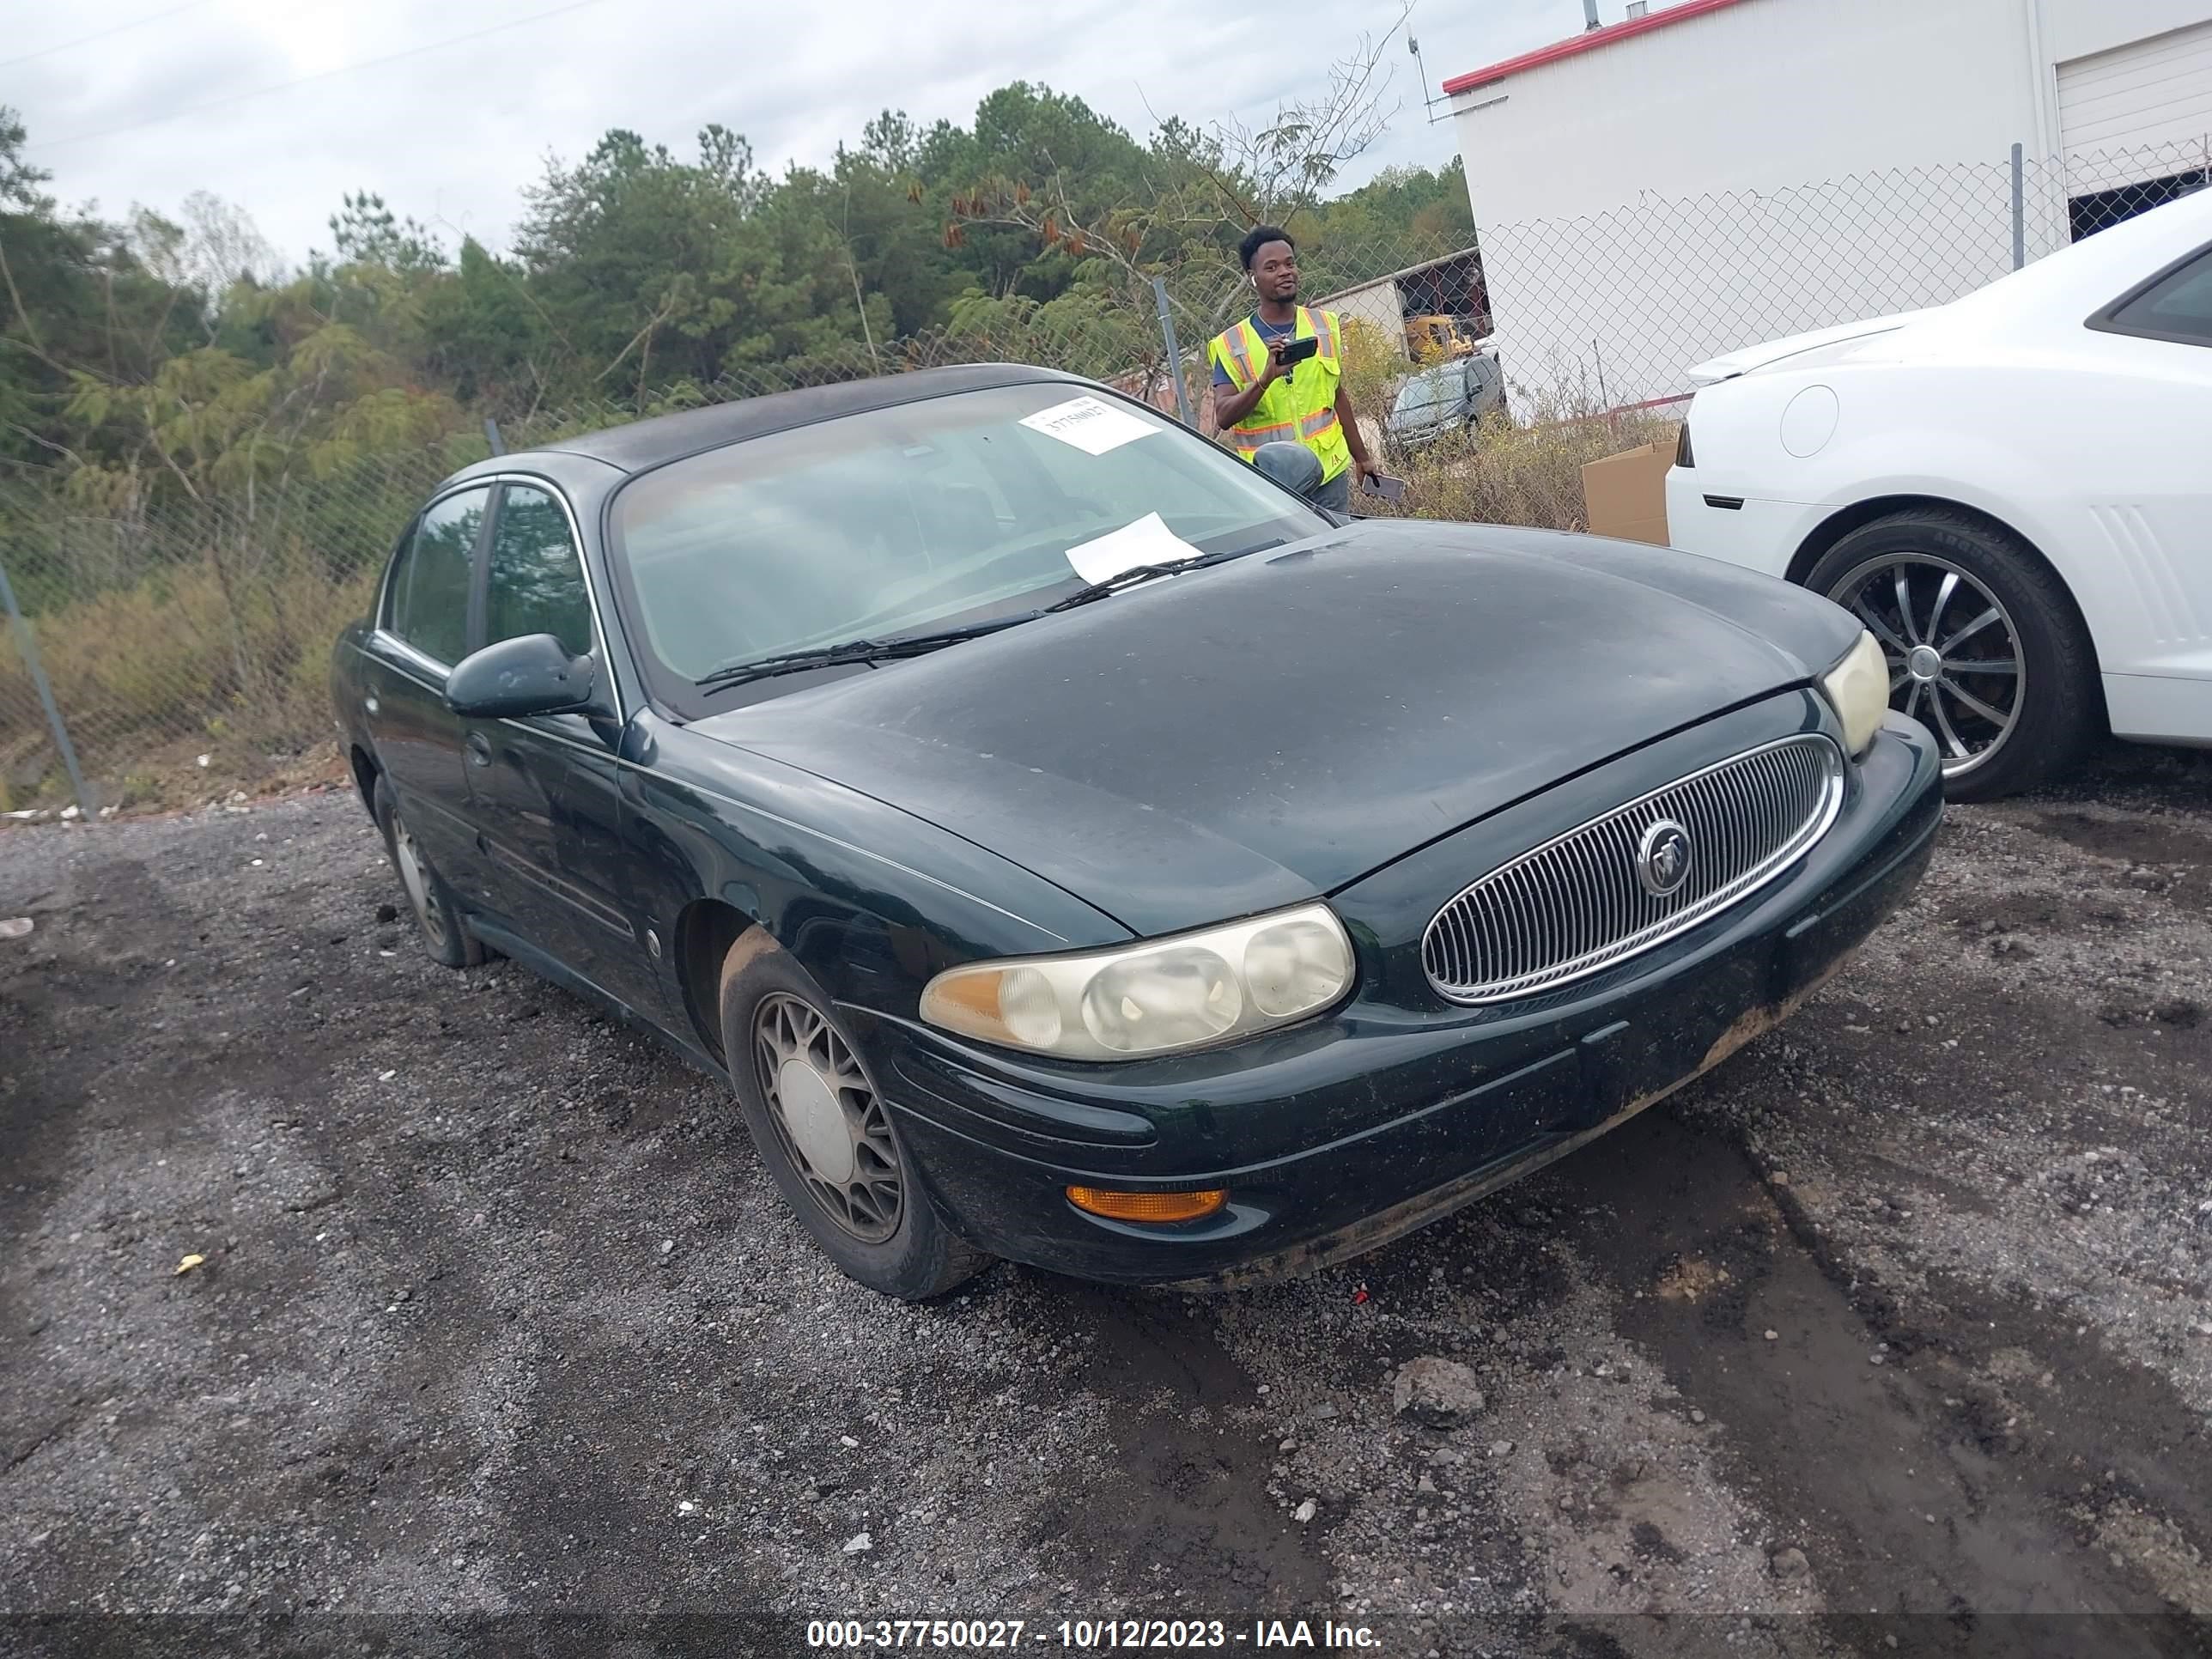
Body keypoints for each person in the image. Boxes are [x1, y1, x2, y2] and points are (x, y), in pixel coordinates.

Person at [1207, 225, 1382, 512]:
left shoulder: (1324, 325)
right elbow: (1224, 416)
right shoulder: (1231, 344)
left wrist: (1362, 458)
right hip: (1272, 482)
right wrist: (1264, 380)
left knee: (1336, 553)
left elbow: (1337, 396)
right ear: (1253, 278)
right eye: (1272, 267)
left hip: (1329, 472)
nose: (1285, 272)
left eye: (1290, 263)